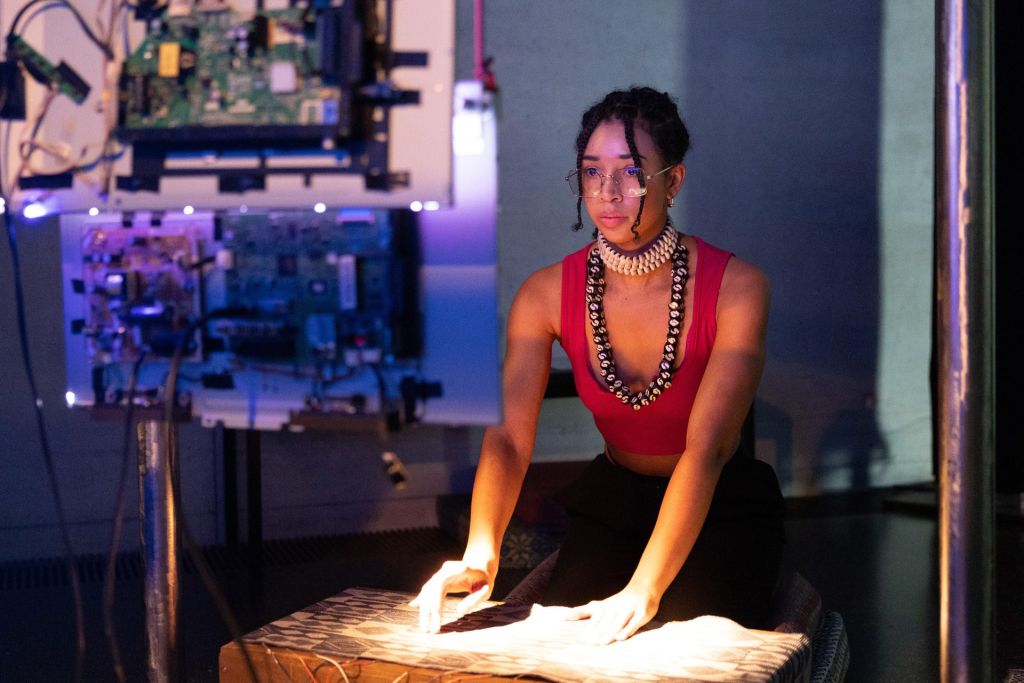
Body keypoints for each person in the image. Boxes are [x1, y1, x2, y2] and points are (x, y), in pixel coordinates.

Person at [412, 86, 785, 645]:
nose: (608, 192)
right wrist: (480, 553)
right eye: (591, 172)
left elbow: (708, 448)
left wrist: (645, 589)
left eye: (631, 172)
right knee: (564, 646)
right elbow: (511, 436)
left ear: (674, 181)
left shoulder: (739, 287)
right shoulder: (543, 294)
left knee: (687, 645)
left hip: (719, 503)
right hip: (616, 499)